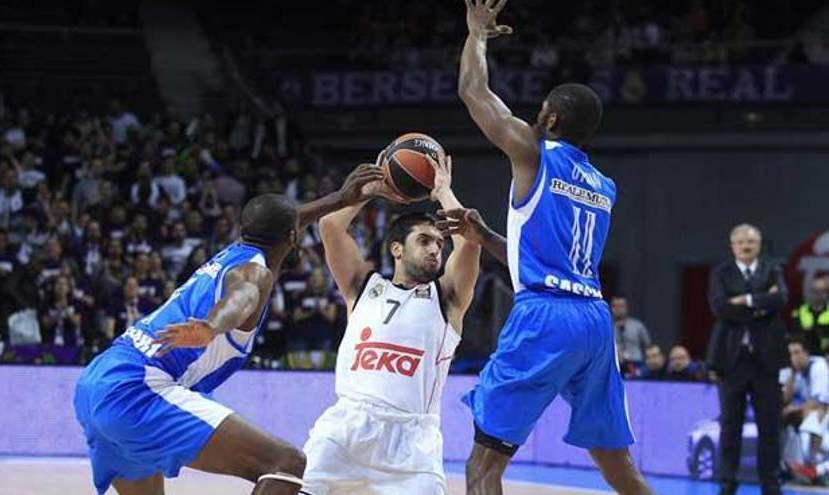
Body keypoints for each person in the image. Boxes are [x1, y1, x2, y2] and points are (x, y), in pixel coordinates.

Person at [73, 164, 384, 495]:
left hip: (96, 381)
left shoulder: (235, 251)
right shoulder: (257, 273)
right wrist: (211, 326)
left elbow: (281, 222)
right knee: (285, 464)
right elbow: (242, 297)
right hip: (139, 388)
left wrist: (339, 199)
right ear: (293, 238)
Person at [456, 1, 652, 493]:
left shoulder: (532, 152)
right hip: (593, 321)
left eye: (542, 108)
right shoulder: (603, 186)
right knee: (618, 466)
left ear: (552, 116)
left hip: (544, 317)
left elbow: (472, 91)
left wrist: (477, 35)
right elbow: (548, 260)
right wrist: (487, 239)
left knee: (482, 469)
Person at [302, 154, 481, 494]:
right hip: (347, 428)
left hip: (413, 443)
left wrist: (443, 191)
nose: (435, 250)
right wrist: (372, 190)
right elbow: (330, 227)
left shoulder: (448, 298)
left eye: (440, 244)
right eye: (424, 241)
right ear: (397, 249)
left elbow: (470, 241)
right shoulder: (363, 286)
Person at [706, 224, 788, 495]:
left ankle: (771, 486)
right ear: (732, 246)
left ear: (759, 244)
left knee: (769, 429)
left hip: (766, 362)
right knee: (731, 428)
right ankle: (727, 485)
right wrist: (760, 306)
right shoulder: (721, 273)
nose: (745, 246)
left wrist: (745, 300)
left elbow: (782, 299)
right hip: (732, 362)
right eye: (740, 242)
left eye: (751, 242)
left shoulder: (772, 270)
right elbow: (720, 306)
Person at [782, 336, 829, 484]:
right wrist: (792, 374)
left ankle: (815, 468)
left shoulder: (819, 366)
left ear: (806, 352)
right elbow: (784, 400)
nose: (794, 358)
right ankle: (791, 466)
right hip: (817, 415)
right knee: (783, 417)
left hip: (824, 414)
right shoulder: (796, 373)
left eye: (797, 352)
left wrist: (793, 409)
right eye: (791, 354)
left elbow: (818, 403)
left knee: (812, 417)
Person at [792, 276, 829, 355]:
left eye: (823, 291)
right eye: (816, 291)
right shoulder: (800, 311)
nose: (819, 294)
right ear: (810, 292)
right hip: (806, 355)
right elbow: (795, 335)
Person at [611, 296, 652, 366]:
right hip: (613, 364)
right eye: (615, 306)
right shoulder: (607, 327)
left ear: (626, 307)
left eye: (621, 306)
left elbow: (648, 346)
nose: (619, 309)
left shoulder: (638, 325)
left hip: (637, 363)